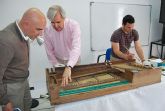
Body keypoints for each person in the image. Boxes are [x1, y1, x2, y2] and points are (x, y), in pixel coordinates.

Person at [0, 8, 46, 111]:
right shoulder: (6, 40)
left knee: (27, 106)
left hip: (23, 81)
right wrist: (4, 101)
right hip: (12, 87)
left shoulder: (23, 32)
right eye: (38, 29)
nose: (40, 33)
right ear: (26, 24)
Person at [44, 5, 81, 86]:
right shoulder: (47, 30)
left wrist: (69, 66)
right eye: (52, 23)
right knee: (61, 84)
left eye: (58, 22)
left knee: (75, 83)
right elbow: (49, 51)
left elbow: (76, 47)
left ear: (64, 18)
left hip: (74, 60)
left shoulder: (74, 25)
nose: (56, 26)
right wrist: (55, 64)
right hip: (58, 60)